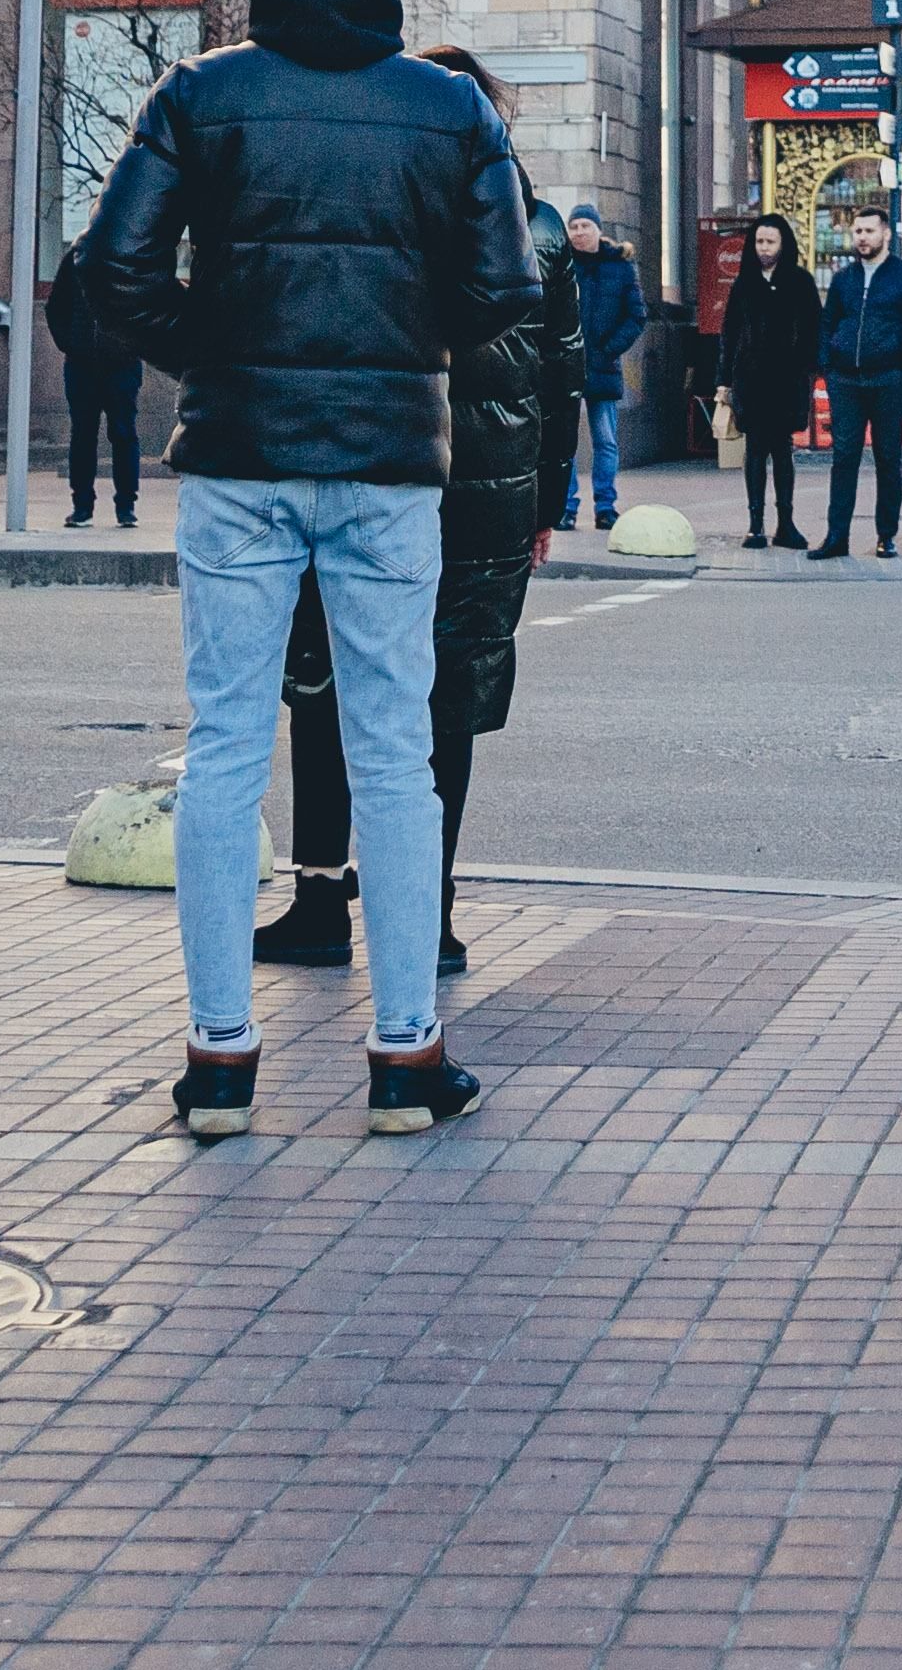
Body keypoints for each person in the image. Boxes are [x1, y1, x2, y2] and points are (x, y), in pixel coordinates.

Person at [61, 0, 539, 1144]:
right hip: (388, 466)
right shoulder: (445, 108)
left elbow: (112, 266)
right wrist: (404, 344)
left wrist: (212, 346)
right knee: (393, 749)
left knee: (226, 744)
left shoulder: (204, 92)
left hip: (238, 458)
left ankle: (220, 1059)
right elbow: (508, 285)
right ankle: (404, 1054)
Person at [264, 51, 565, 982]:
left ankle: (322, 903)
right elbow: (566, 376)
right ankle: (426, 921)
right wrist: (544, 508)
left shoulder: (376, 208)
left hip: (365, 477)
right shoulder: (539, 225)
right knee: (445, 706)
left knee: (325, 687)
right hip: (488, 503)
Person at [811, 199, 902, 558]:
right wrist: (828, 364)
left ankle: (887, 535)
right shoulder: (844, 279)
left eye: (869, 231)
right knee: (844, 458)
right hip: (846, 382)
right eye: (857, 232)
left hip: (888, 380)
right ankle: (836, 537)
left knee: (887, 458)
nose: (862, 238)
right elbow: (828, 322)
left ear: (885, 234)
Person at [718, 216, 823, 547]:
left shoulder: (800, 282)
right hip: (750, 380)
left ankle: (786, 523)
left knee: (782, 450)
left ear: (783, 244)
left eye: (770, 242)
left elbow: (814, 330)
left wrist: (807, 368)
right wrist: (723, 380)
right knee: (754, 452)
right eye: (759, 242)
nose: (764, 248)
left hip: (787, 381)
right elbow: (730, 334)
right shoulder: (745, 284)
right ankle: (755, 525)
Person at [564, 208, 645, 528]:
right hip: (566, 366)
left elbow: (637, 315)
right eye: (573, 226)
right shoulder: (561, 265)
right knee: (564, 441)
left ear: (598, 230)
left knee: (606, 439)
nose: (579, 232)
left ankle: (605, 506)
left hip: (603, 366)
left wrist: (609, 348)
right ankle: (565, 507)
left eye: (585, 225)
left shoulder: (620, 267)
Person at [61, 284, 147, 531]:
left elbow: (145, 302)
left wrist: (133, 344)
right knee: (83, 435)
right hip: (82, 364)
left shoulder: (127, 253)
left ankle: (126, 507)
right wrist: (70, 343)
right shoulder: (75, 260)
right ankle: (82, 506)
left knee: (123, 433)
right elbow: (57, 306)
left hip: (122, 364)